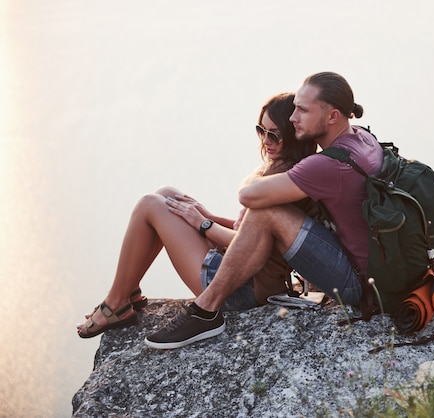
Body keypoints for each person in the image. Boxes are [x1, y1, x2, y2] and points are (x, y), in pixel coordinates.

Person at [144, 72, 384, 349]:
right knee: (167, 196)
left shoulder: (327, 164)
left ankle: (206, 310)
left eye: (303, 110)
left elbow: (248, 195)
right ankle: (122, 303)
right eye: (294, 109)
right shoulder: (362, 139)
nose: (294, 118)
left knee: (265, 210)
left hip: (357, 283)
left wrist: (258, 175)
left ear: (333, 116)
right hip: (368, 269)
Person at [77, 92, 316, 338]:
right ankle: (129, 290)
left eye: (274, 134)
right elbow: (248, 231)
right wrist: (207, 216)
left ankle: (117, 302)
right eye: (261, 131)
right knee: (167, 194)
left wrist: (203, 223)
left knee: (149, 204)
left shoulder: (285, 183)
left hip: (241, 289)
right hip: (242, 272)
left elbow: (253, 248)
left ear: (294, 135)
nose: (266, 140)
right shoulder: (283, 171)